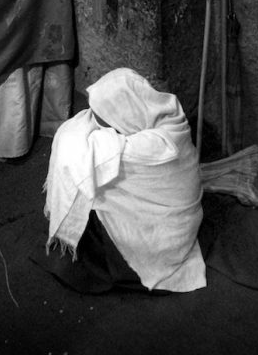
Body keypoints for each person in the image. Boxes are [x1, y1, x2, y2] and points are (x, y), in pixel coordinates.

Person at [43, 67, 206, 294]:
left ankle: (117, 266)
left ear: (124, 115)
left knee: (85, 186)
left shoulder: (150, 147)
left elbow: (80, 148)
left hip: (162, 240)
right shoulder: (166, 114)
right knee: (86, 179)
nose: (90, 120)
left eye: (102, 121)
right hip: (176, 224)